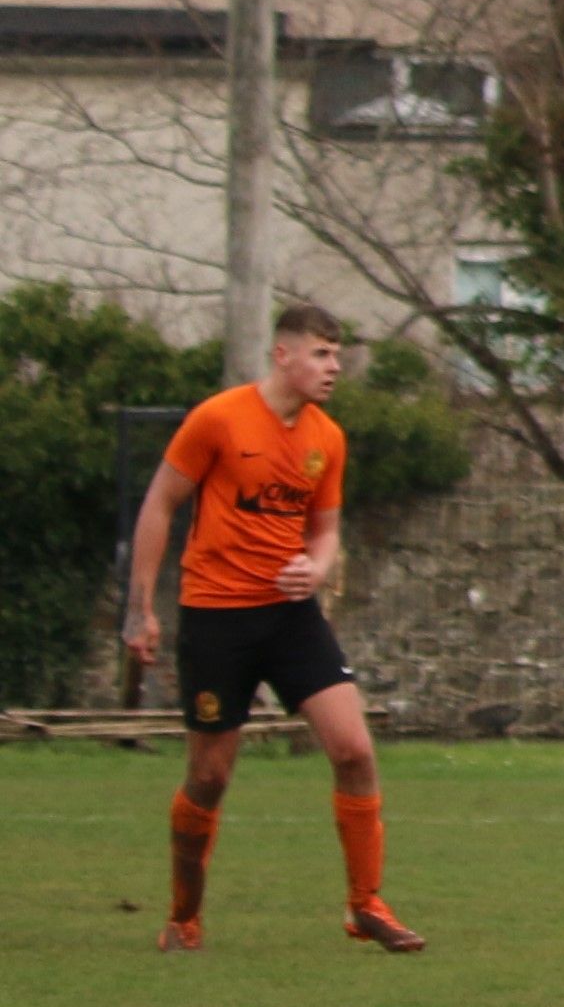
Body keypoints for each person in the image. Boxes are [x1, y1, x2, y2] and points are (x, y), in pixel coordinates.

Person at [120, 304, 418, 954]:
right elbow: (161, 501)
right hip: (216, 617)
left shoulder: (327, 438)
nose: (334, 367)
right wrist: (140, 607)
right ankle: (184, 915)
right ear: (283, 355)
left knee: (354, 749)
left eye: (338, 355)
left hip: (290, 617)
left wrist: (315, 564)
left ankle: (365, 903)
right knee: (209, 777)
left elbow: (328, 529)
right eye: (321, 354)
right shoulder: (219, 419)